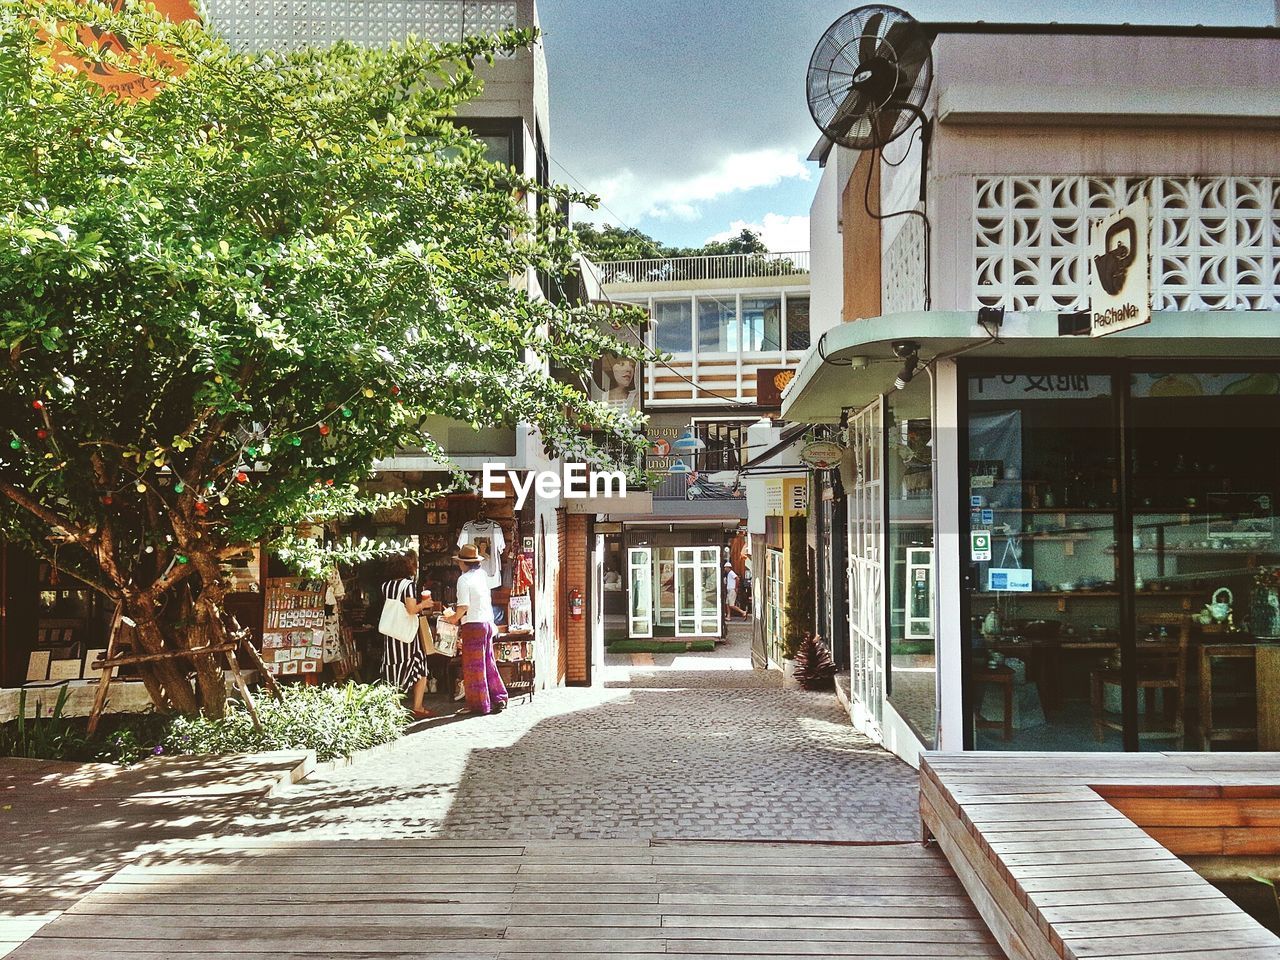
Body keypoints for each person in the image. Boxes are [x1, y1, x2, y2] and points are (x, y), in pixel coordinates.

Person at [441, 543, 508, 716]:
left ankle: (480, 704)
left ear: (463, 563)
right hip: (486, 622)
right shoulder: (482, 575)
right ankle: (498, 697)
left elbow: (463, 606)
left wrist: (452, 618)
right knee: (488, 661)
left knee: (473, 667)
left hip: (472, 624)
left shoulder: (463, 579)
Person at [379, 551, 432, 719]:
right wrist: (424, 604)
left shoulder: (385, 586)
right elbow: (411, 609)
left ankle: (393, 707)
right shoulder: (408, 585)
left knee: (393, 669)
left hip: (391, 634)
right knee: (420, 667)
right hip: (407, 635)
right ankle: (417, 706)